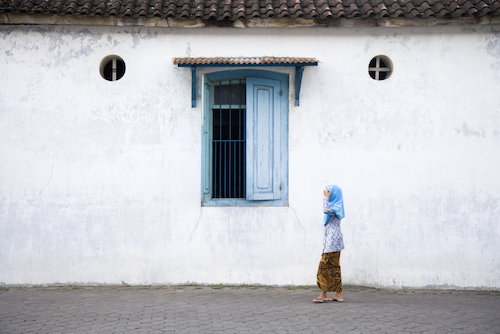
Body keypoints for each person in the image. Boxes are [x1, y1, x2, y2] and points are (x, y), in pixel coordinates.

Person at [313, 184, 345, 303]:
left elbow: (325, 210)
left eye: (330, 192)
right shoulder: (336, 206)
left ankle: (323, 294)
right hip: (333, 241)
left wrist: (325, 198)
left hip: (333, 241)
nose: (327, 194)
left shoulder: (336, 207)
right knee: (333, 267)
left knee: (323, 267)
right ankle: (338, 294)